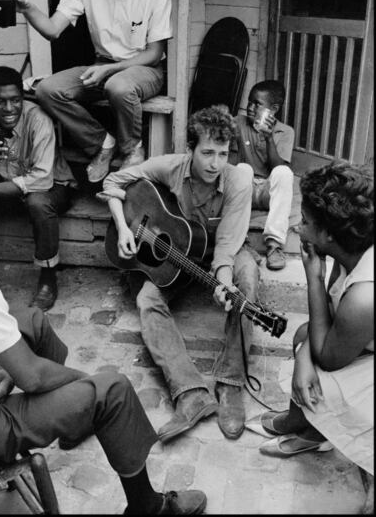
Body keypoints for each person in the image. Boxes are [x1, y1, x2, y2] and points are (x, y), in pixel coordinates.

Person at [0, 152, 207, 516]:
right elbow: (31, 377)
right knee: (113, 390)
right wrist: (85, 378)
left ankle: (72, 420)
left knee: (33, 321)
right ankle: (150, 508)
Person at [100, 105, 260, 442]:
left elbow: (229, 242)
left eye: (223, 153)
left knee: (246, 280)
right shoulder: (171, 166)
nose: (215, 163)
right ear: (190, 150)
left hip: (225, 251)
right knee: (147, 299)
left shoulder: (238, 179)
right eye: (207, 153)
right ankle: (190, 393)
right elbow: (114, 180)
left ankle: (230, 383)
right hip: (180, 252)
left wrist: (224, 281)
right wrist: (123, 228)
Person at [0, 0, 172, 184]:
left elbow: (154, 53)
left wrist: (110, 69)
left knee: (119, 86)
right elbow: (52, 29)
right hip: (101, 65)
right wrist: (27, 8)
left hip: (143, 68)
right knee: (47, 89)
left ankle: (132, 149)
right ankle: (102, 143)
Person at [245, 162, 373, 500]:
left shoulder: (365, 295)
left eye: (304, 222)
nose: (298, 230)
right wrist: (304, 354)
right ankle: (306, 428)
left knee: (319, 370)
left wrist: (312, 276)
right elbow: (327, 321)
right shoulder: (350, 250)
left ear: (329, 234)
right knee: (305, 337)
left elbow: (328, 358)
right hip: (360, 341)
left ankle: (323, 435)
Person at [0, 66, 76, 312]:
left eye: (15, 100)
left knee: (38, 202)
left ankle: (48, 278)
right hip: (7, 183)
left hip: (53, 186)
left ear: (22, 99)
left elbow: (42, 179)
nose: (8, 109)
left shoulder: (38, 118)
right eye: (0, 102)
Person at [229, 80, 294, 270]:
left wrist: (268, 138)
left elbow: (278, 167)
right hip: (244, 189)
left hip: (267, 192)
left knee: (284, 173)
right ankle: (242, 242)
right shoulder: (238, 123)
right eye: (249, 102)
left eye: (257, 104)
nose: (250, 107)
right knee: (242, 169)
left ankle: (274, 245)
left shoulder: (285, 131)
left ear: (273, 109)